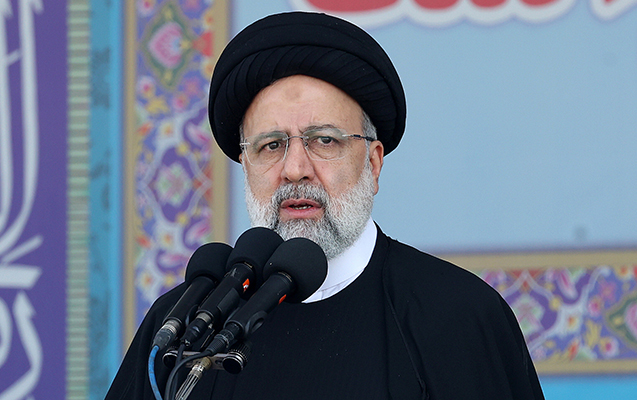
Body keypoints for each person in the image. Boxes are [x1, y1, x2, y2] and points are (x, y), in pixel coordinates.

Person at [106, 11, 545, 400]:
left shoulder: (458, 316)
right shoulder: (185, 328)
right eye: (271, 145)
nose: (295, 169)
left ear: (373, 163)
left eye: (324, 141)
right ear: (246, 165)